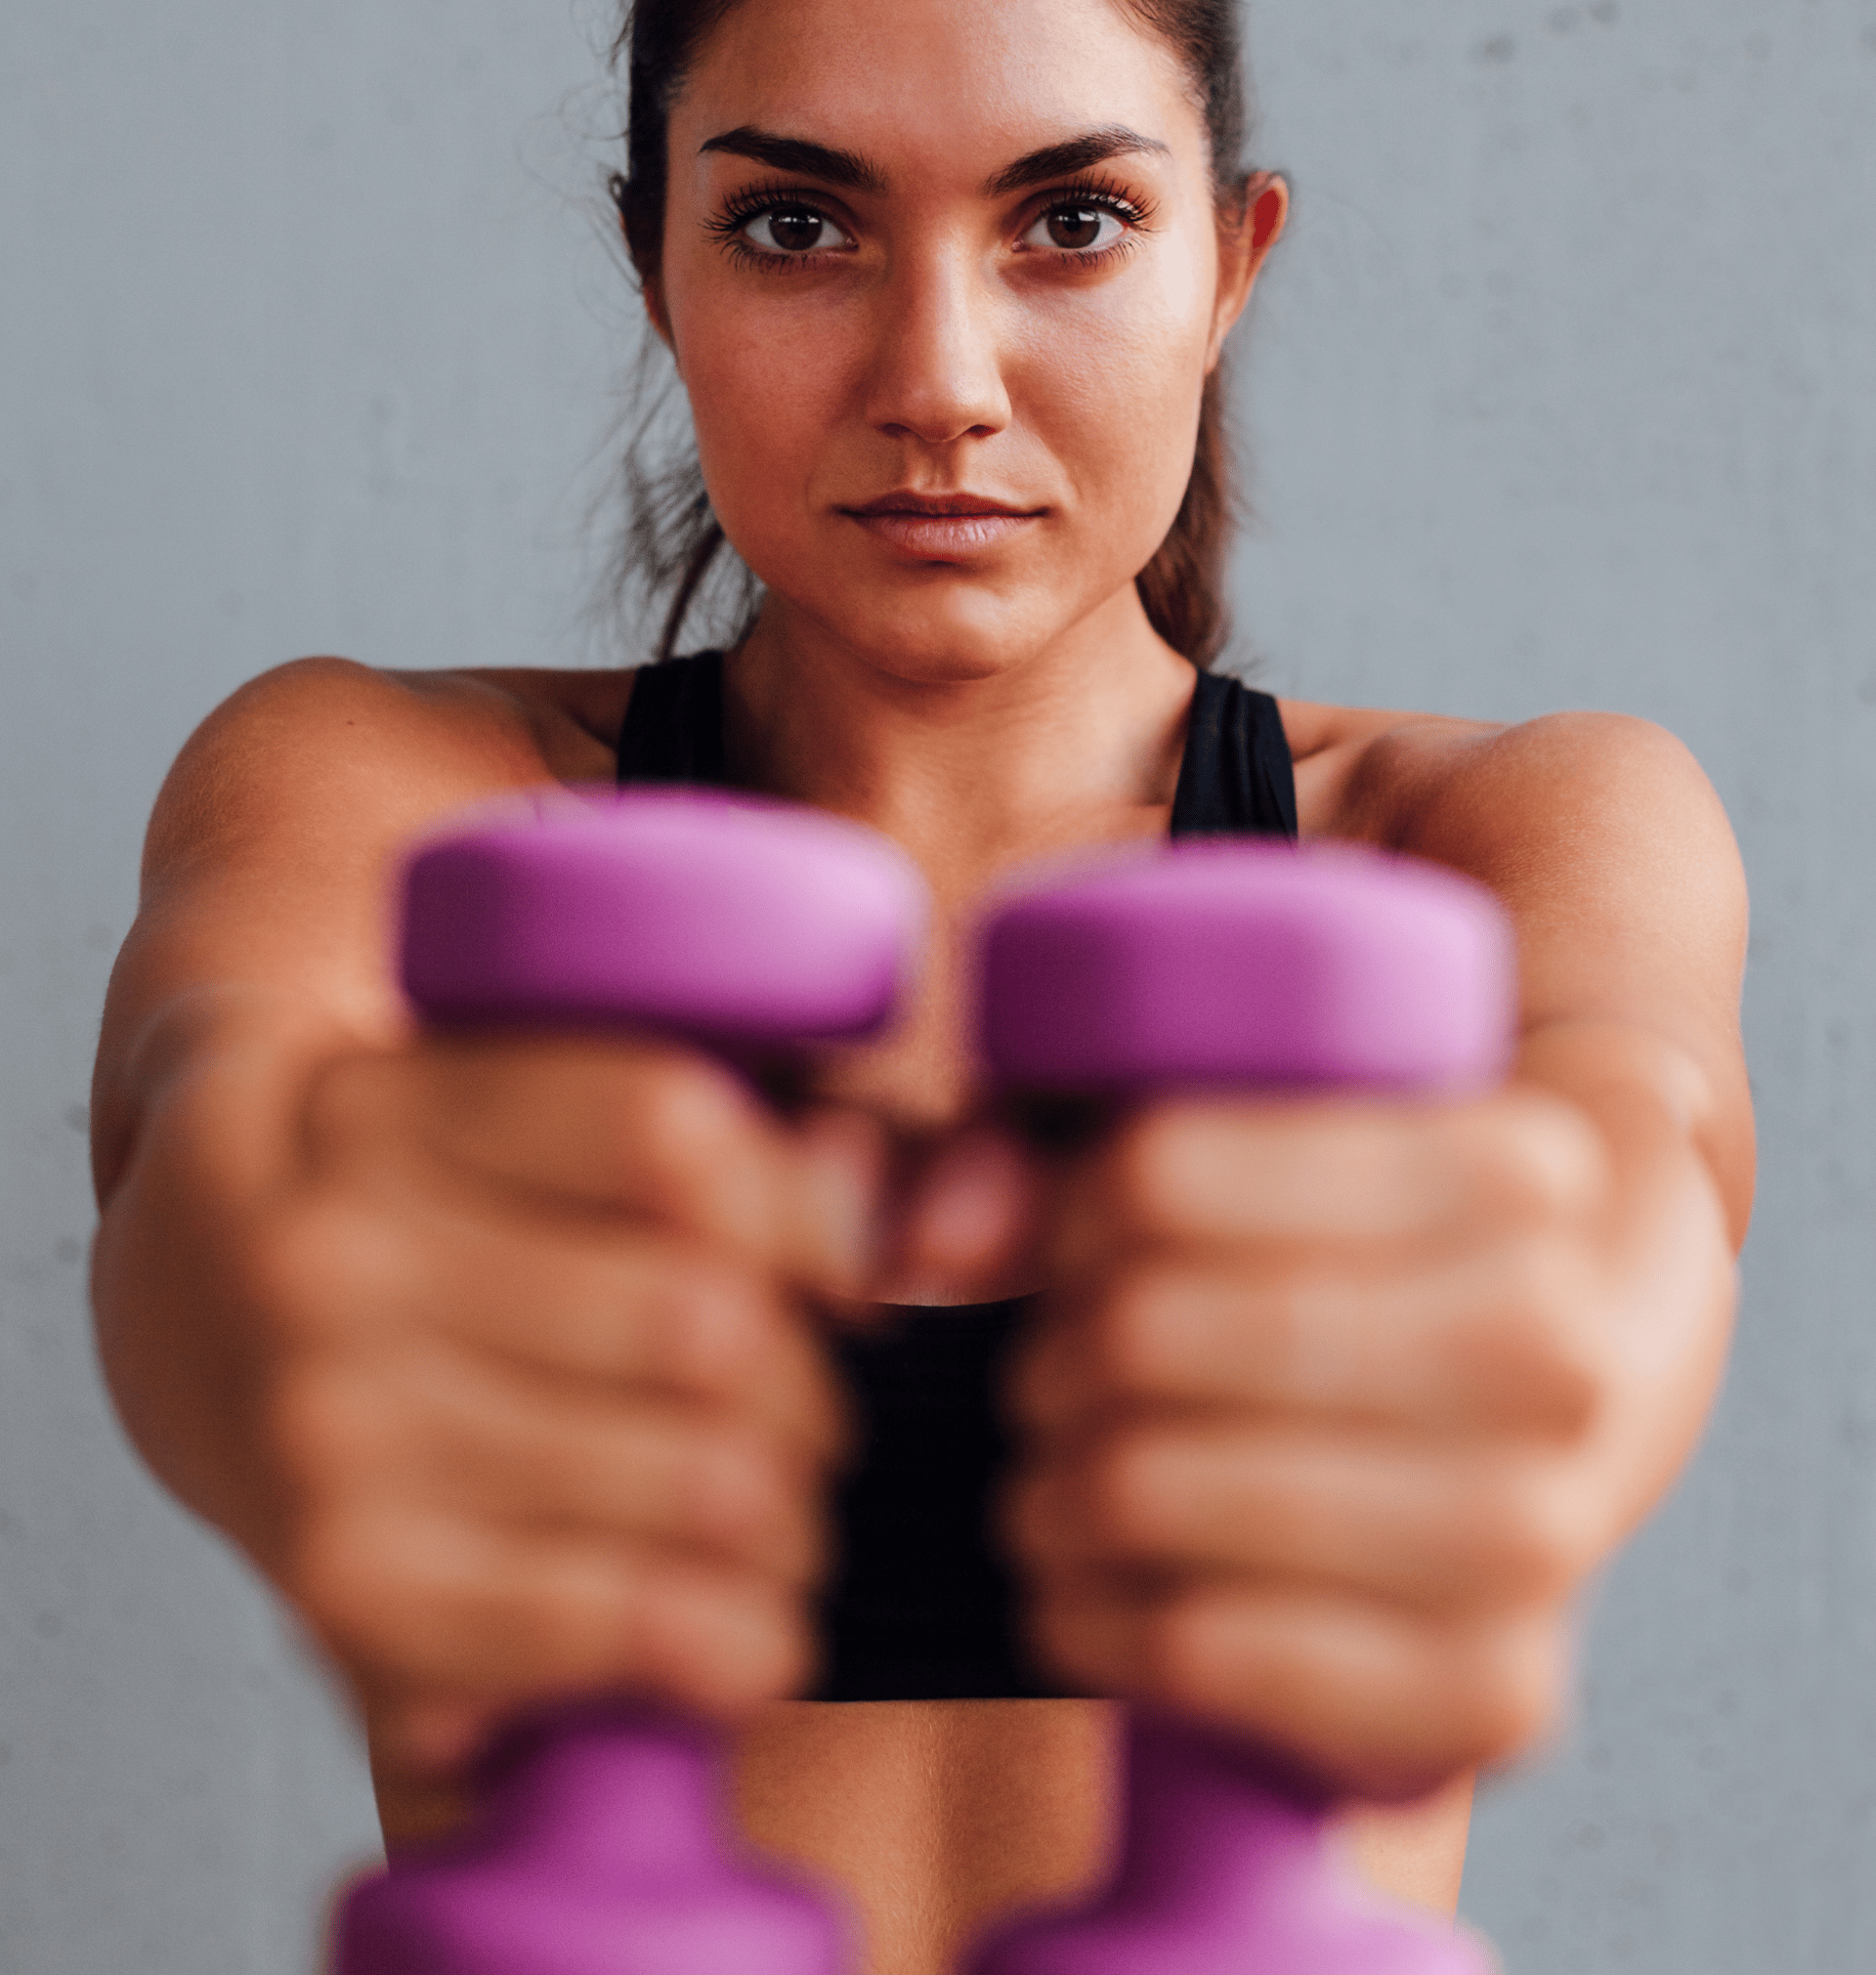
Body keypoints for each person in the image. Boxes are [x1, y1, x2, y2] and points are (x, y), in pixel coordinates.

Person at [88, 0, 1752, 1968]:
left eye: (1071, 225)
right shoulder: (418, 804)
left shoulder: (1477, 836)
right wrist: (309, 1332)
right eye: (799, 228)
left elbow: (1641, 1161)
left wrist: (1539, 1357)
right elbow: (214, 1140)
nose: (938, 381)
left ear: (1231, 262)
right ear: (656, 268)